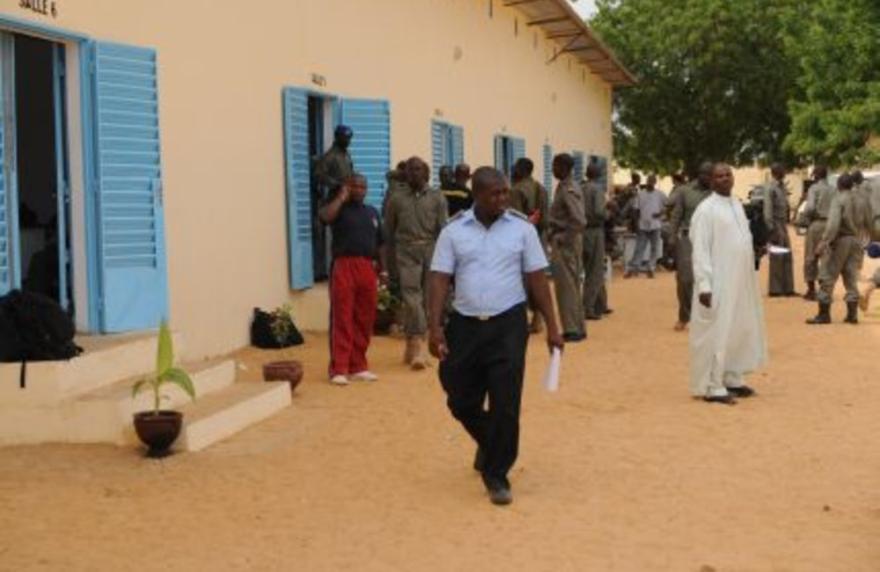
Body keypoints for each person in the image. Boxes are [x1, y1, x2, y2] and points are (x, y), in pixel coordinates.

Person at [427, 166, 563, 506]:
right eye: (496, 193)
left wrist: (553, 325)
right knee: (459, 396)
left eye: (506, 192)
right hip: (465, 325)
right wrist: (434, 327)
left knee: (506, 403)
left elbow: (536, 279)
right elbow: (440, 279)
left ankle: (497, 473)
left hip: (507, 325)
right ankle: (490, 444)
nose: (503, 198)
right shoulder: (454, 231)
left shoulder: (521, 229)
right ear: (477, 194)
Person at [689, 163, 767, 404]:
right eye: (719, 176)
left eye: (728, 175)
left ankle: (731, 378)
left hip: (741, 281)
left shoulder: (735, 204)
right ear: (711, 181)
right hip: (718, 282)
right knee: (718, 332)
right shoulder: (706, 210)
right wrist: (704, 285)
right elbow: (700, 250)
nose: (724, 179)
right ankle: (712, 385)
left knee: (738, 328)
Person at [319, 174, 387, 385]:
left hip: (367, 267)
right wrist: (341, 197)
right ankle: (339, 368)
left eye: (362, 187)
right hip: (344, 265)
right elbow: (325, 217)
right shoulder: (338, 210)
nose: (359, 190)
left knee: (364, 318)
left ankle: (358, 365)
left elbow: (382, 244)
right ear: (347, 187)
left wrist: (384, 270)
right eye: (354, 186)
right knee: (343, 316)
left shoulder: (372, 212)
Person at [385, 157, 448, 369]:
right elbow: (388, 232)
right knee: (412, 297)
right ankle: (418, 344)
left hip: (431, 249)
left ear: (426, 173)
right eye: (410, 170)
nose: (414, 173)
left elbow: (443, 230)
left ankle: (411, 345)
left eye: (418, 170)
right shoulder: (396, 198)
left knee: (429, 299)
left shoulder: (437, 198)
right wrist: (389, 263)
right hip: (405, 250)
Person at [807, 174, 870, 325]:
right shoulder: (862, 200)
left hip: (840, 241)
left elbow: (833, 224)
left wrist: (824, 242)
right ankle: (852, 315)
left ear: (839, 185)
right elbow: (867, 223)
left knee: (827, 275)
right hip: (856, 241)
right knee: (850, 277)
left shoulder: (839, 199)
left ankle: (824, 315)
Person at [547, 153, 587, 342]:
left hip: (566, 240)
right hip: (566, 238)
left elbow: (579, 220)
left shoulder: (569, 188)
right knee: (571, 284)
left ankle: (572, 329)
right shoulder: (564, 187)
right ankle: (577, 326)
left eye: (555, 166)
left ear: (564, 167)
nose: (552, 169)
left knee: (567, 286)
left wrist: (564, 238)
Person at [669, 162, 713, 331]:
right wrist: (672, 238)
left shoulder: (715, 192)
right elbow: (676, 216)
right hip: (688, 238)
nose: (709, 179)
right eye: (706, 175)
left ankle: (708, 317)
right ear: (699, 175)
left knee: (711, 278)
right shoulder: (684, 191)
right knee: (686, 279)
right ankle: (684, 316)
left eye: (711, 175)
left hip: (711, 239)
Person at [509, 158, 550, 332]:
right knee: (537, 278)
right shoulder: (541, 188)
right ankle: (538, 317)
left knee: (520, 280)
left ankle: (522, 318)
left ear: (520, 170)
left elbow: (515, 218)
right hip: (539, 237)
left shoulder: (516, 190)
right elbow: (545, 218)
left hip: (520, 240)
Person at [800, 166, 834, 301]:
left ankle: (811, 290)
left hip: (816, 224)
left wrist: (804, 217)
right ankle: (825, 291)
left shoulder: (814, 189)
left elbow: (810, 208)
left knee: (810, 257)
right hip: (831, 226)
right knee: (827, 258)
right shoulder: (833, 189)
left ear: (815, 176)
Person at [763, 163, 797, 297]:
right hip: (775, 225)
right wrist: (771, 229)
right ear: (776, 172)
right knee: (777, 256)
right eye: (782, 170)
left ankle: (788, 288)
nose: (784, 172)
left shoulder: (782, 187)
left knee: (787, 256)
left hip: (783, 225)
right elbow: (768, 210)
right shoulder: (770, 188)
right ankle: (775, 289)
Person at [581, 163, 608, 319]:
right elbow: (599, 211)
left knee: (590, 267)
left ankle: (601, 304)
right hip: (595, 230)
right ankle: (588, 307)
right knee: (595, 270)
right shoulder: (597, 189)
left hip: (583, 231)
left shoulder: (581, 187)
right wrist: (608, 213)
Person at [625, 174, 665, 278]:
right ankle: (634, 268)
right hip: (642, 224)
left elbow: (668, 205)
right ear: (646, 181)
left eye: (652, 181)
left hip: (655, 225)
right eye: (649, 181)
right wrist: (636, 223)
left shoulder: (660, 194)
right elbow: (635, 210)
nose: (650, 183)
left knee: (654, 248)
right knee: (639, 247)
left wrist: (660, 214)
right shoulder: (640, 194)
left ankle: (651, 268)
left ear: (655, 183)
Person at [314, 125, 354, 195]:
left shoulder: (346, 154)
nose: (347, 141)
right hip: (336, 194)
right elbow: (319, 174)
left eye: (349, 138)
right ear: (337, 137)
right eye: (344, 138)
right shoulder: (330, 156)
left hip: (348, 192)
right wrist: (337, 184)